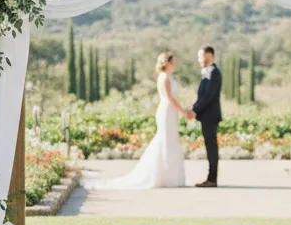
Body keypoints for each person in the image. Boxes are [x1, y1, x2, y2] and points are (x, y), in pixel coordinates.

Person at [87, 52, 189, 190]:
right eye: (173, 62)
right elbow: (170, 98)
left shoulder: (167, 77)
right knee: (165, 140)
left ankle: (169, 175)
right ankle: (164, 176)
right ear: (167, 63)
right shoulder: (164, 77)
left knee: (170, 140)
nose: (175, 64)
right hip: (167, 111)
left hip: (171, 112)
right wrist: (184, 111)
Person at [192, 46, 222, 188]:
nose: (199, 59)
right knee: (210, 147)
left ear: (209, 55)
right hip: (206, 116)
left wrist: (194, 109)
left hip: (210, 115)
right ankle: (211, 178)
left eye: (201, 56)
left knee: (211, 147)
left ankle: (212, 179)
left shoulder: (214, 72)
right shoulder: (207, 71)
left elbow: (208, 96)